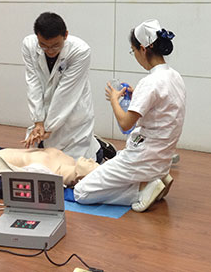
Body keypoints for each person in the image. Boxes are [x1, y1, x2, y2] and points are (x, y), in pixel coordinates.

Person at [72, 19, 186, 212]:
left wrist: (114, 100)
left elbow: (125, 124)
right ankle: (154, 181)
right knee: (114, 161)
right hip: (161, 160)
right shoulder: (175, 76)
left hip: (143, 158)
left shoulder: (150, 82)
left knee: (81, 192)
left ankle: (142, 190)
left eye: (133, 51)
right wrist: (138, 97)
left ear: (143, 49)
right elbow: (162, 109)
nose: (135, 56)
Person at [22, 12, 114, 163]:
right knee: (41, 160)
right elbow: (33, 83)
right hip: (47, 110)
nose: (50, 51)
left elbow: (65, 94)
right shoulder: (29, 45)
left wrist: (48, 127)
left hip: (72, 109)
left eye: (55, 46)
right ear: (37, 37)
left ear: (65, 35)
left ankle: (99, 150)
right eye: (43, 46)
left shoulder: (80, 51)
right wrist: (38, 121)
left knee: (75, 164)